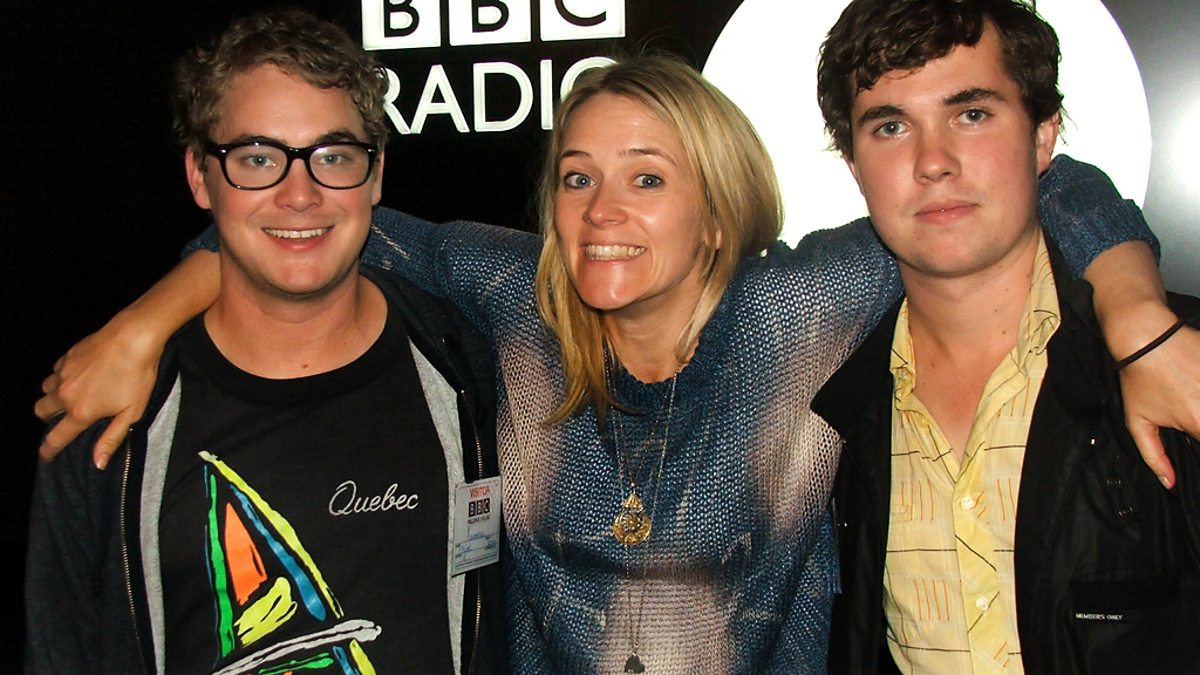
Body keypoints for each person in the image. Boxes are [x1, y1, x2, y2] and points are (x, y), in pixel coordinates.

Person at [32, 56, 1187, 672]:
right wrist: (146, 322)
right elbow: (309, 222)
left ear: (719, 209)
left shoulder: (799, 309)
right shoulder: (516, 299)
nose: (601, 212)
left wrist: (1138, 312)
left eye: (647, 178)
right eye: (578, 177)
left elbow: (1032, 185)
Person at [24, 10, 505, 674]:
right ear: (200, 175)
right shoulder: (111, 413)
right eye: (257, 158)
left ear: (376, 175)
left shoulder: (469, 364)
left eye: (333, 156)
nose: (299, 194)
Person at [811, 0, 1200, 672]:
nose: (933, 161)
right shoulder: (824, 397)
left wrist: (1139, 319)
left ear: (1044, 136)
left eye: (971, 114)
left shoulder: (1173, 363)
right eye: (891, 126)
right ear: (853, 164)